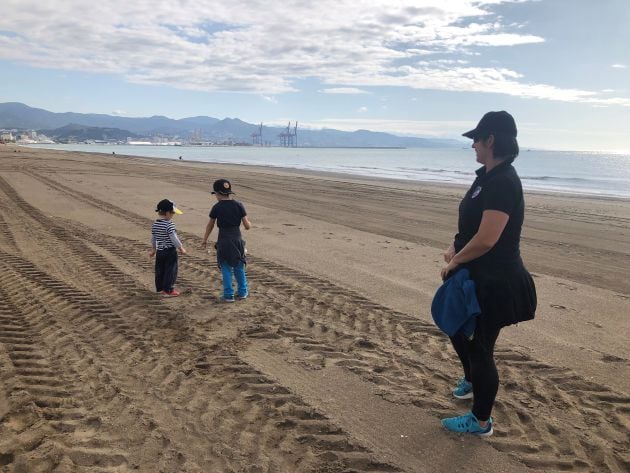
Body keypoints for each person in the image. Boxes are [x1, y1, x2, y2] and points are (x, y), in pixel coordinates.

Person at [440, 111, 537, 436]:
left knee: (480, 348)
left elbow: (487, 239)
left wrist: (455, 262)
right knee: (456, 327)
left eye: (476, 140)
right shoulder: (486, 177)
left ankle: (481, 421)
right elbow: (471, 227)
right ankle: (471, 380)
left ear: (491, 140)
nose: (473, 147)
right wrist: (456, 247)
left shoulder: (504, 182)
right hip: (476, 275)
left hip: (496, 283)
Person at [201, 179, 251, 302]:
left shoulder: (216, 207)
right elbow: (247, 226)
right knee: (239, 266)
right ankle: (243, 292)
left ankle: (228, 295)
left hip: (223, 241)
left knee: (226, 268)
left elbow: (210, 225)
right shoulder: (239, 205)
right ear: (229, 193)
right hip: (237, 240)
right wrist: (249, 223)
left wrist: (205, 239)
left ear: (218, 193)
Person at [150, 199, 187, 296]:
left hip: (160, 251)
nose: (173, 215)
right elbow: (174, 238)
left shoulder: (155, 224)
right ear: (167, 213)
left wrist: (154, 249)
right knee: (171, 270)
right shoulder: (169, 225)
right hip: (169, 251)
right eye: (172, 213)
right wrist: (181, 248)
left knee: (160, 270)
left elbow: (153, 238)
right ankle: (168, 290)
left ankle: (160, 289)